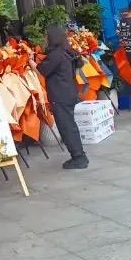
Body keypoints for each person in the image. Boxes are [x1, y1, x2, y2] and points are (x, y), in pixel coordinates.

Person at [36, 25, 89, 169]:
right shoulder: (66, 51)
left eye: (46, 36)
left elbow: (42, 70)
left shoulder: (56, 55)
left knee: (66, 127)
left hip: (61, 95)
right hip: (68, 93)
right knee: (70, 125)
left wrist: (31, 62)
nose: (45, 39)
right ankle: (79, 155)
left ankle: (78, 157)